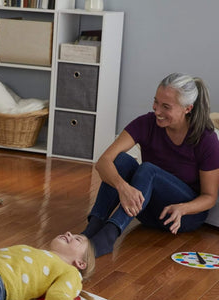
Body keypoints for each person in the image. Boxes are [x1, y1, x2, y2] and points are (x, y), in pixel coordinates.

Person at [83, 73, 219, 257]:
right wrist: (122, 187)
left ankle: (108, 236)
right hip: (146, 211)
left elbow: (209, 197)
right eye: (156, 102)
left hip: (181, 217)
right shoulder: (146, 123)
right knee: (121, 161)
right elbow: (103, 162)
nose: (157, 111)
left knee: (148, 170)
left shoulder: (206, 139)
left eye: (166, 107)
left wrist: (182, 208)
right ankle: (92, 230)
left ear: (188, 108)